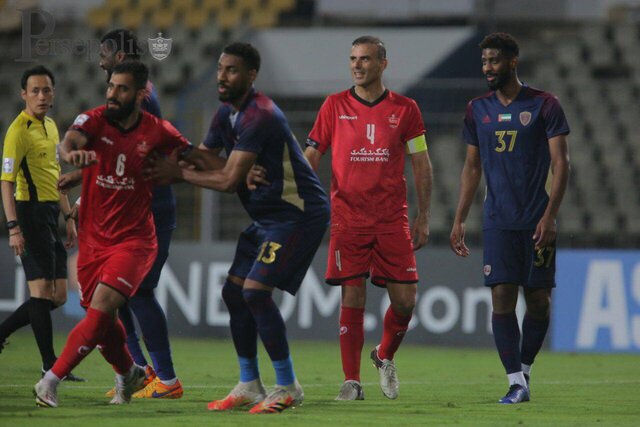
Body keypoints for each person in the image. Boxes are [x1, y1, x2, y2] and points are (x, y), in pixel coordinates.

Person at [146, 42, 330, 414]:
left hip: (297, 215)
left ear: (251, 75)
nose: (222, 76)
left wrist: (179, 172)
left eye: (231, 70)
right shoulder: (225, 114)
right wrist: (185, 157)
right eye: (220, 68)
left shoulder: (260, 115)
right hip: (266, 218)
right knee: (234, 294)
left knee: (255, 292)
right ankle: (249, 384)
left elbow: (228, 181)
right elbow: (205, 158)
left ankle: (288, 386)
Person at [33, 61, 192, 408]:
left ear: (140, 94)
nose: (112, 92)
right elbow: (73, 143)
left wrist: (211, 172)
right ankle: (129, 372)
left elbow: (189, 158)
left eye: (121, 87)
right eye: (110, 85)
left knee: (105, 308)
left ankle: (50, 380)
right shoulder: (94, 119)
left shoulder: (156, 129)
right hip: (93, 238)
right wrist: (73, 157)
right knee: (101, 318)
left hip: (134, 238)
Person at [303, 36, 433, 401]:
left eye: (364, 59)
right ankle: (352, 381)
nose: (356, 65)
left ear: (383, 64)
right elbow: (312, 154)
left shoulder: (406, 109)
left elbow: (421, 162)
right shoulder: (334, 105)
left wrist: (424, 216)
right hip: (348, 217)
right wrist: (294, 194)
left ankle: (384, 355)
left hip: (392, 219)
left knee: (406, 301)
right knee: (353, 293)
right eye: (352, 59)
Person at [449, 32, 570, 404]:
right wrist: (459, 218)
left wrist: (550, 216)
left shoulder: (545, 104)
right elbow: (472, 167)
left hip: (536, 219)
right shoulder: (477, 109)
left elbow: (561, 163)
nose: (488, 68)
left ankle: (525, 370)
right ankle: (516, 382)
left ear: (513, 62)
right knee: (501, 296)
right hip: (498, 220)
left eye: (494, 61)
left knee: (538, 301)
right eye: (484, 61)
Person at [0, 65, 84, 382]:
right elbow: (6, 181)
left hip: (51, 215)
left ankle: (2, 333)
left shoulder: (50, 126)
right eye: (35, 90)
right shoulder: (17, 131)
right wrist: (13, 227)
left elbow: (55, 176)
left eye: (46, 90)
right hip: (29, 214)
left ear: (53, 93)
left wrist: (69, 217)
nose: (41, 96)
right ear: (24, 94)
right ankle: (51, 365)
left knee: (58, 295)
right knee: (40, 292)